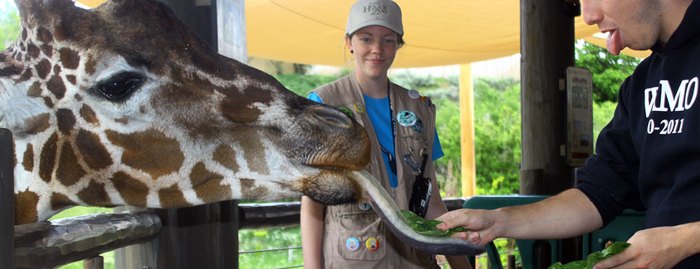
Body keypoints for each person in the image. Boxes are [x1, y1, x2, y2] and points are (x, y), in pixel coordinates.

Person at [436, 0, 700, 268]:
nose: (588, 15)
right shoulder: (642, 82)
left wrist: (681, 240)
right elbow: (597, 194)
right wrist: (499, 221)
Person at [300, 1, 472, 268]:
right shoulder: (323, 104)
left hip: (416, 261)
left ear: (398, 45)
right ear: (349, 42)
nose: (377, 50)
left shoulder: (419, 108)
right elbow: (312, 204)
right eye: (366, 38)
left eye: (388, 40)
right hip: (353, 259)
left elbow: (432, 200)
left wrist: (460, 265)